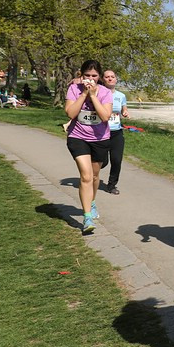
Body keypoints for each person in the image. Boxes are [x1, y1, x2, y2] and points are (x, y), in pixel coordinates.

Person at [64, 60, 113, 235]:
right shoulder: (74, 89)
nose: (90, 79)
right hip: (78, 137)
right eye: (87, 76)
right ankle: (87, 218)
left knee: (94, 176)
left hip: (99, 138)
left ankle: (91, 202)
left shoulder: (105, 92)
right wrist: (84, 94)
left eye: (94, 76)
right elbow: (70, 113)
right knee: (85, 176)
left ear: (99, 77)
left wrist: (93, 95)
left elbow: (105, 116)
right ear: (81, 75)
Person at [103, 69, 129, 195]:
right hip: (101, 131)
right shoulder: (99, 93)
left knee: (116, 160)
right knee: (102, 161)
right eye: (107, 77)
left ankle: (112, 185)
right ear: (103, 79)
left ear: (116, 79)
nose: (110, 79)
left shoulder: (121, 96)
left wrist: (125, 113)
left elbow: (124, 109)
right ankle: (90, 178)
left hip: (116, 132)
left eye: (112, 76)